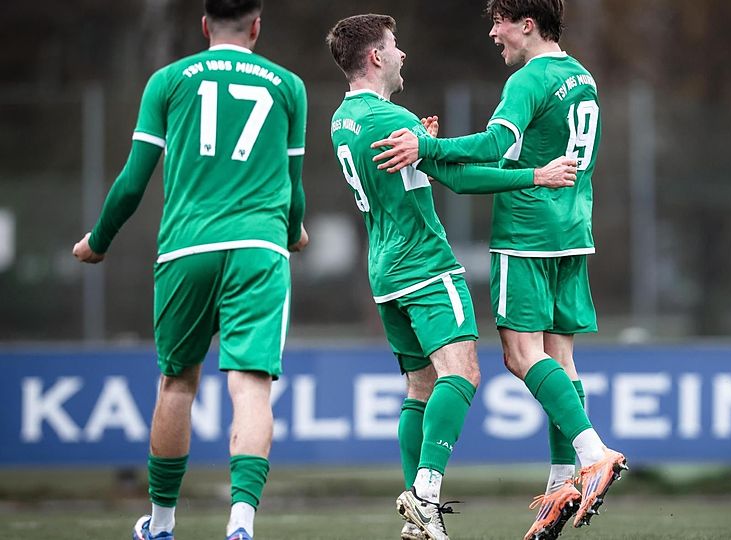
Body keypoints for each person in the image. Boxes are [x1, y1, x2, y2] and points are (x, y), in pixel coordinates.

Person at [370, 1, 627, 538]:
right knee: (560, 359)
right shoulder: (583, 76)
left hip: (527, 233)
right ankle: (562, 485)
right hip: (574, 230)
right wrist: (433, 154)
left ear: (526, 25)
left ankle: (593, 452)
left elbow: (496, 145)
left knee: (519, 354)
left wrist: (427, 145)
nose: (493, 34)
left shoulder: (530, 80)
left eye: (499, 23)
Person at [325, 13, 577, 540]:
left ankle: (422, 520)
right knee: (461, 374)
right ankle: (424, 494)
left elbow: (411, 170)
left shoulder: (344, 119)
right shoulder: (391, 121)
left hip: (385, 270)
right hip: (425, 265)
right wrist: (537, 174)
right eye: (394, 47)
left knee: (420, 387)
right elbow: (460, 179)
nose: (402, 55)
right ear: (375, 57)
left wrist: (425, 145)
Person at [72, 1, 308, 539]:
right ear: (256, 26)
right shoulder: (288, 85)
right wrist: (294, 231)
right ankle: (241, 524)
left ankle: (161, 525)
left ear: (204, 25)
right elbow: (292, 186)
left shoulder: (168, 80)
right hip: (258, 248)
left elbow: (133, 181)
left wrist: (98, 241)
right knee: (251, 387)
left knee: (177, 383)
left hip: (187, 249)